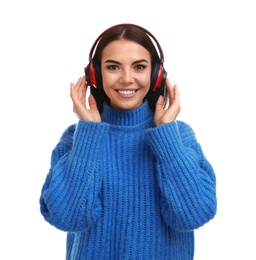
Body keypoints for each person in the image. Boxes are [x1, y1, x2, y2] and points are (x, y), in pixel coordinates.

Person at [39, 23, 217, 259]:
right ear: (95, 74)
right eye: (113, 67)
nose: (126, 78)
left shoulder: (178, 137)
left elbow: (195, 214)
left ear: (156, 75)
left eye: (139, 67)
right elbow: (67, 218)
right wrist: (89, 133)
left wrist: (166, 136)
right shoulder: (77, 139)